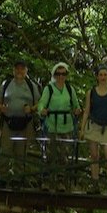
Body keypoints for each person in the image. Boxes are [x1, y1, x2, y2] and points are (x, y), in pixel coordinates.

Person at [37, 61, 82, 190]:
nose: (61, 76)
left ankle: (61, 181)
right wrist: (42, 110)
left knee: (64, 154)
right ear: (54, 75)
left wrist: (77, 110)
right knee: (49, 153)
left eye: (64, 74)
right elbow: (41, 103)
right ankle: (46, 180)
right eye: (58, 74)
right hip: (52, 125)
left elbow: (76, 104)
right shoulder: (49, 88)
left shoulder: (69, 89)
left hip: (66, 126)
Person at [0, 59, 37, 182]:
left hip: (25, 123)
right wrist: (0, 107)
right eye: (17, 68)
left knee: (21, 153)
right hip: (8, 122)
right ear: (13, 70)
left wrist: (31, 108)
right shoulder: (6, 84)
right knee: (5, 151)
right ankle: (2, 178)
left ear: (26, 71)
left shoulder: (31, 86)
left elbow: (39, 103)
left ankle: (18, 179)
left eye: (22, 69)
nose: (19, 71)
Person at [80, 66, 107, 194]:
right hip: (93, 126)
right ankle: (95, 183)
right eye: (101, 75)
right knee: (94, 156)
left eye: (105, 75)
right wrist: (82, 128)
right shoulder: (91, 92)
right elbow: (86, 111)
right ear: (97, 77)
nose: (103, 77)